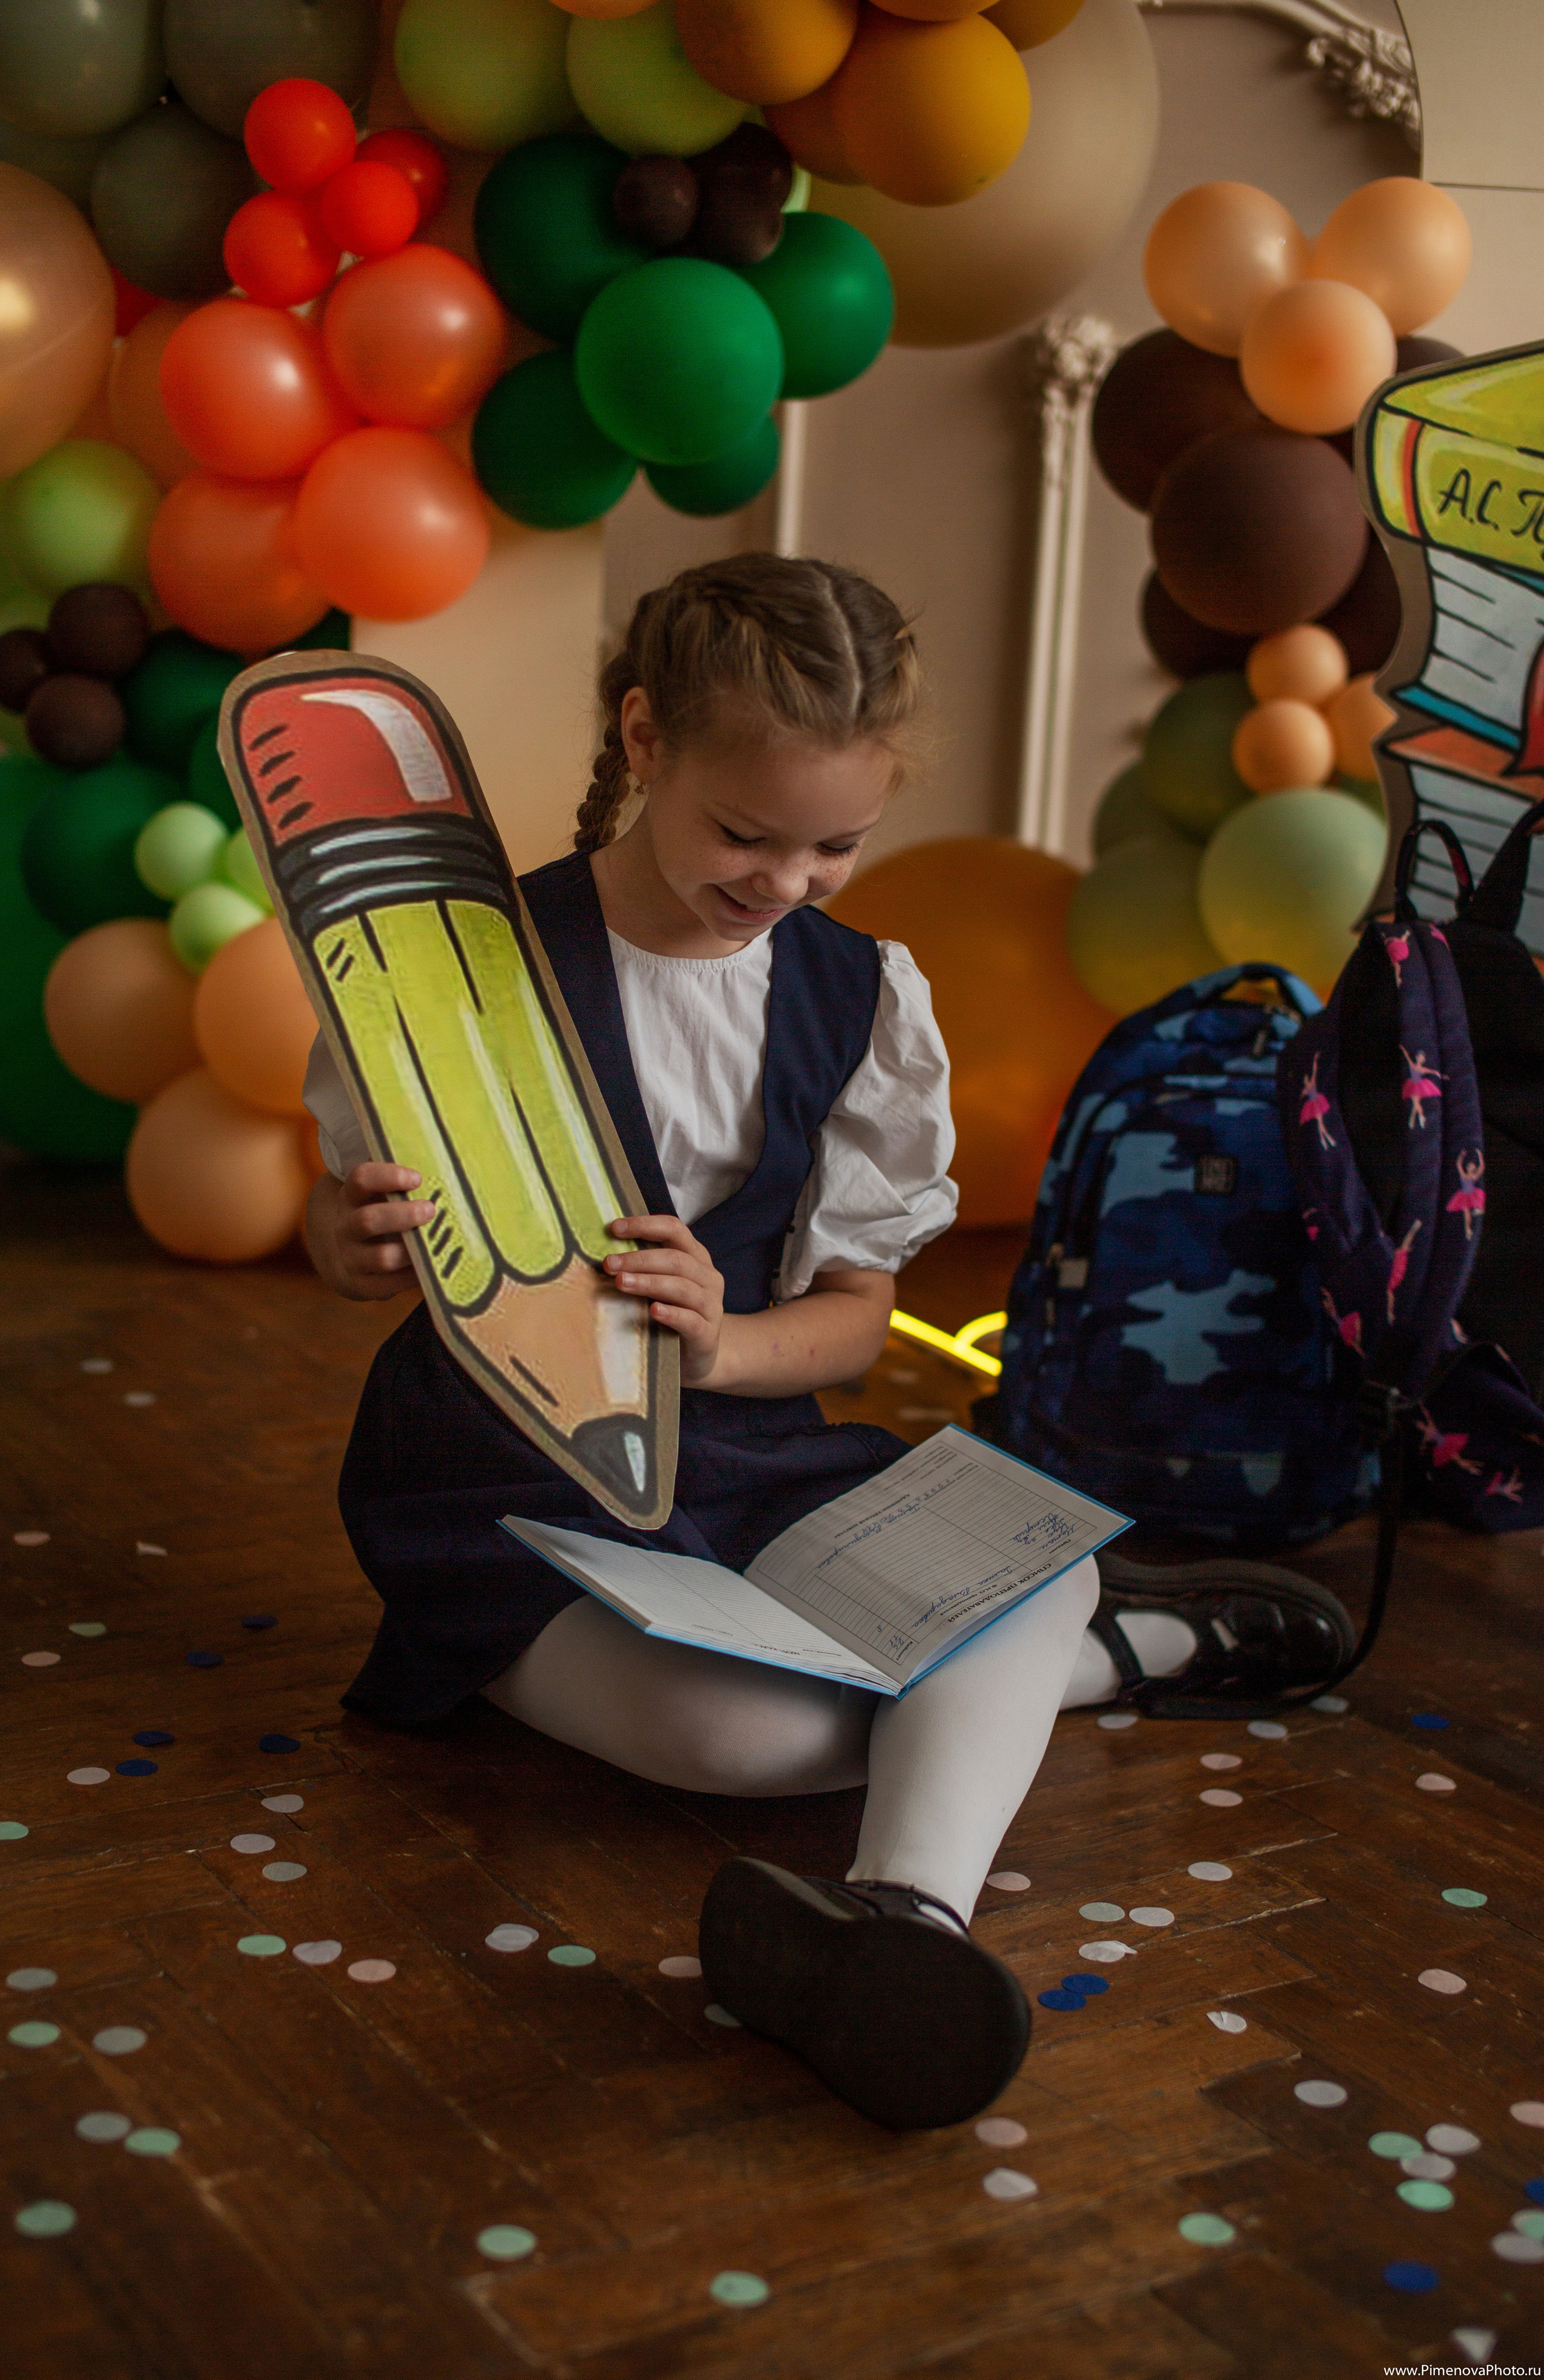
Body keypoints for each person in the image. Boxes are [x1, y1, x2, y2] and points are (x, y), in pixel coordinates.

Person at [302, 555, 1352, 2131]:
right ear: (644, 739)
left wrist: (722, 1346)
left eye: (836, 845)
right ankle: (1120, 1658)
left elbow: (849, 1326)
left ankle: (901, 1922)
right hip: (503, 1471)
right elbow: (335, 1241)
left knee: (1034, 1547)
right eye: (745, 833)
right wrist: (353, 1238)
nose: (787, 880)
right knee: (757, 1736)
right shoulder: (463, 971)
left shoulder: (863, 997)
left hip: (742, 1434)